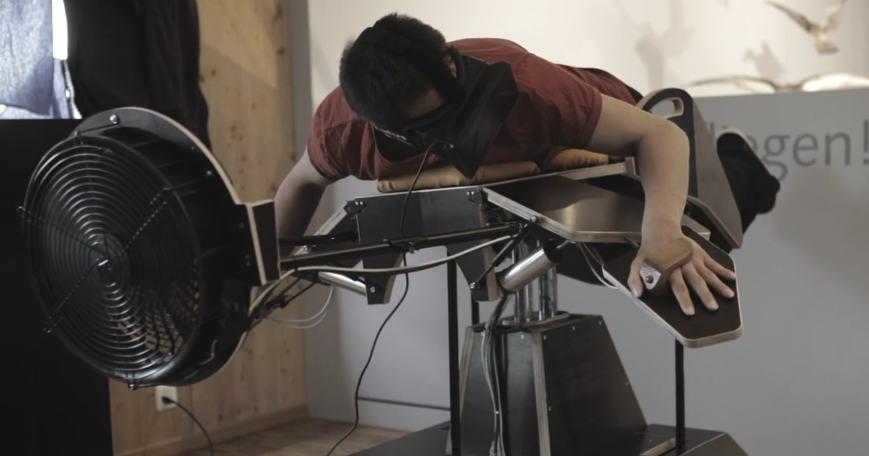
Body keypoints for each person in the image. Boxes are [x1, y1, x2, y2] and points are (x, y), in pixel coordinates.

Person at [274, 13, 780, 316]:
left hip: (601, 137)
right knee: (601, 270)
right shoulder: (342, 131)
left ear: (450, 62)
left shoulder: (525, 82)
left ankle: (738, 155)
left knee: (720, 223)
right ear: (388, 128)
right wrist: (273, 261)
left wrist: (662, 230)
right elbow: (300, 185)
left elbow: (658, 133)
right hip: (524, 178)